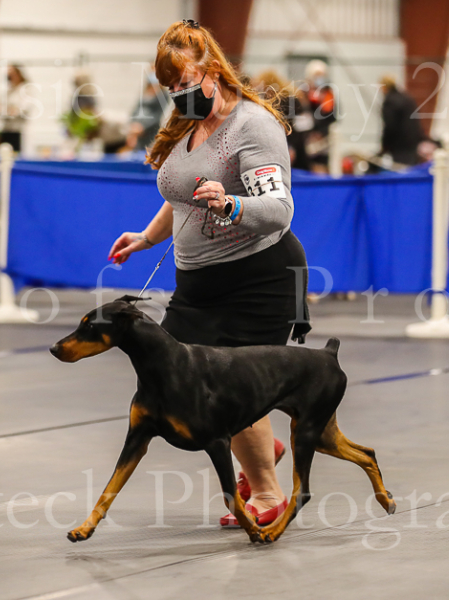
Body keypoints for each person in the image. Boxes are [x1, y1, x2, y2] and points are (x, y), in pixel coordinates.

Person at [108, 19, 309, 528]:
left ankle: (266, 490)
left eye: (184, 82)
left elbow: (279, 210)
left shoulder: (252, 126)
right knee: (181, 383)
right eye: (169, 87)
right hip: (198, 283)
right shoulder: (188, 121)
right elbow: (181, 194)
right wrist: (146, 237)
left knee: (231, 391)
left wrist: (230, 204)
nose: (178, 94)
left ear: (213, 70)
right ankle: (259, 441)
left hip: (259, 278)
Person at [253, 69, 309, 171]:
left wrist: (292, 146)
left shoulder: (290, 101)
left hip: (295, 147)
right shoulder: (269, 103)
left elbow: (300, 127)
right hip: (285, 146)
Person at [379, 74, 424, 166]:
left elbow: (390, 127)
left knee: (401, 168)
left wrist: (384, 147)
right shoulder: (407, 98)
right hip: (412, 143)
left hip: (399, 146)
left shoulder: (390, 101)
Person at [301, 59, 336, 174]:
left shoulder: (328, 92)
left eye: (322, 75)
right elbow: (301, 114)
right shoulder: (303, 92)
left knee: (322, 165)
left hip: (323, 138)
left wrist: (321, 132)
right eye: (317, 75)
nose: (319, 78)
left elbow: (332, 115)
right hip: (306, 138)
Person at [128, 71, 168, 152]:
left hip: (152, 132)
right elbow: (135, 111)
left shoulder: (162, 99)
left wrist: (143, 127)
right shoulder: (144, 97)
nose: (153, 89)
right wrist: (134, 125)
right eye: (151, 86)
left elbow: (158, 116)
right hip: (139, 134)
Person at [0, 64, 30, 151]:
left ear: (18, 74)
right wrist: (8, 111)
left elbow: (22, 109)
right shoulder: (7, 90)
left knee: (16, 154)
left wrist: (10, 110)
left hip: (18, 130)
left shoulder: (25, 89)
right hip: (6, 129)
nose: (10, 77)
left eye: (12, 74)